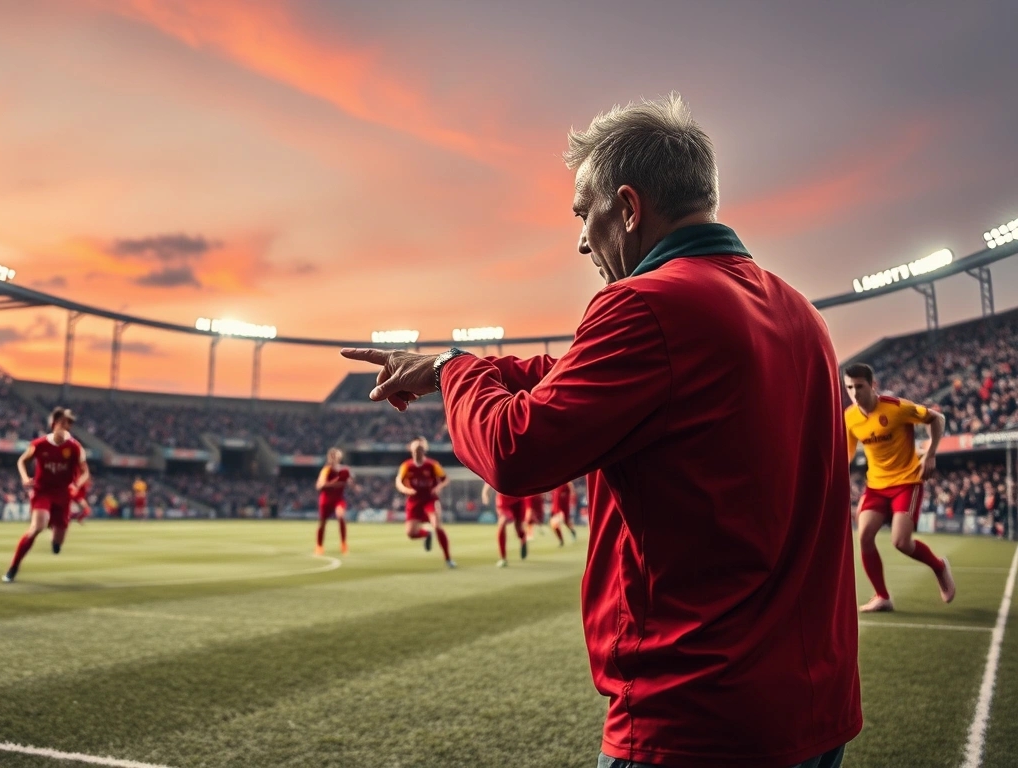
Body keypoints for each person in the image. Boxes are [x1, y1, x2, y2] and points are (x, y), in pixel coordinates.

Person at [343, 93, 858, 767]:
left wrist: (451, 370)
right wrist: (471, 369)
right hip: (815, 713)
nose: (582, 237)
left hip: (698, 718)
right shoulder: (798, 313)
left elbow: (513, 450)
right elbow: (579, 372)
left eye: (584, 213)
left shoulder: (645, 305)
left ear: (629, 207)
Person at [844, 362, 955, 612]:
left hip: (907, 481)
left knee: (901, 542)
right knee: (864, 536)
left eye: (859, 386)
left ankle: (939, 567)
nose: (854, 392)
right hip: (876, 486)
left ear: (873, 385)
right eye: (849, 387)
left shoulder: (896, 407)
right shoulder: (849, 417)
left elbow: (937, 418)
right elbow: (847, 454)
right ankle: (882, 597)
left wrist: (931, 453)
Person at [5, 407, 89, 583]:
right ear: (54, 424)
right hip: (42, 492)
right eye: (64, 423)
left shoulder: (75, 447)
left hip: (63, 494)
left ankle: (56, 541)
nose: (67, 427)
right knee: (37, 527)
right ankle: (13, 568)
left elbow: (85, 472)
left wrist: (76, 484)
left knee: (59, 539)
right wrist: (24, 477)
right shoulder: (39, 444)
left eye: (69, 424)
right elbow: (22, 460)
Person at [395, 437, 454, 568]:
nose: (418, 452)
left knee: (437, 525)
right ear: (411, 450)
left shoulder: (432, 464)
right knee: (411, 534)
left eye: (420, 449)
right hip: (414, 501)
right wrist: (406, 489)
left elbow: (445, 479)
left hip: (429, 499)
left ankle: (448, 558)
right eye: (416, 449)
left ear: (424, 450)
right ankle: (427, 534)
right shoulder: (406, 466)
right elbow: (398, 481)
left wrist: (438, 488)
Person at [315, 448, 351, 556]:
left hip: (338, 499)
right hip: (326, 499)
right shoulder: (326, 470)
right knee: (322, 523)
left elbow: (348, 482)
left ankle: (343, 543)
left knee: (341, 516)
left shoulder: (343, 470)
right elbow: (319, 485)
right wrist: (335, 483)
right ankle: (319, 545)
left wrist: (352, 485)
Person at [482, 484, 527, 567]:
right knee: (502, 522)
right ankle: (503, 558)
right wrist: (485, 493)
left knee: (518, 529)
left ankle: (523, 539)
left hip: (518, 500)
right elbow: (491, 477)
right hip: (504, 502)